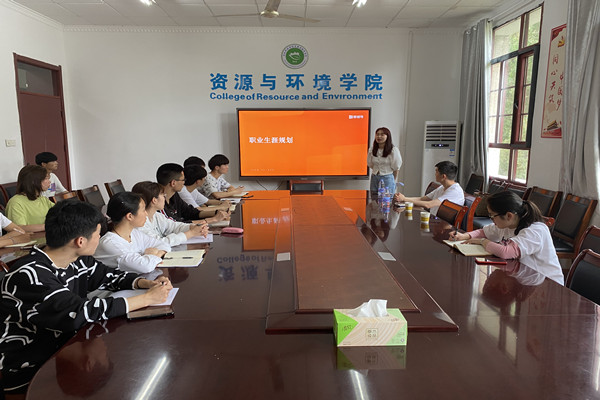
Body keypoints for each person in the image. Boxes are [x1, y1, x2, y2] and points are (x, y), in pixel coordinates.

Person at [0, 200, 172, 395]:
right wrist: (147, 299)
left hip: (65, 350)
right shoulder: (29, 274)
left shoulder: (77, 260)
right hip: (29, 370)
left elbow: (108, 275)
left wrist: (144, 283)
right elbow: (77, 312)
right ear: (80, 241)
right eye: (98, 235)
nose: (100, 239)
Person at [449, 191, 564, 285]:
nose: (491, 219)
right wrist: (464, 236)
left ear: (509, 215)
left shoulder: (535, 230)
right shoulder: (507, 224)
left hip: (547, 284)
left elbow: (506, 252)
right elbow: (484, 232)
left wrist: (482, 241)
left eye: (492, 216)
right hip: (525, 278)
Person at [94, 192, 170, 275]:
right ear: (130, 216)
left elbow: (164, 245)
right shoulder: (110, 244)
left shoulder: (134, 233)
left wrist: (151, 256)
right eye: (143, 210)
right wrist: (152, 254)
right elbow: (145, 267)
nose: (146, 214)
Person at [131, 181, 208, 247]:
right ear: (154, 200)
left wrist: (192, 227)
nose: (165, 198)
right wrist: (191, 233)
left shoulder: (156, 215)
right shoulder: (139, 223)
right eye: (163, 195)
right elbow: (159, 243)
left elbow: (174, 226)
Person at [156, 163, 228, 224]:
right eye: (183, 180)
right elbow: (176, 224)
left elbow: (190, 212)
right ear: (173, 183)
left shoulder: (174, 195)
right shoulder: (158, 202)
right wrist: (212, 219)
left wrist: (217, 213)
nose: (184, 182)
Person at [393, 160, 464, 216]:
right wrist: (403, 199)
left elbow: (428, 204)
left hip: (443, 224)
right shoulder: (442, 187)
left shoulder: (454, 191)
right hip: (434, 219)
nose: (435, 174)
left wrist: (404, 199)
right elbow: (422, 199)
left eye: (436, 172)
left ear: (443, 176)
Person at [5, 165, 55, 231]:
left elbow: (59, 212)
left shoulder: (42, 199)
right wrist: (48, 227)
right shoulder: (15, 202)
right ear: (34, 181)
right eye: (46, 178)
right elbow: (19, 229)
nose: (49, 181)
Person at [367, 127, 402, 194]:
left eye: (382, 134)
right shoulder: (372, 149)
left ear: (387, 136)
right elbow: (370, 164)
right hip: (374, 177)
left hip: (387, 177)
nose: (379, 136)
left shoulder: (393, 150)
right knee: (373, 197)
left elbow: (396, 167)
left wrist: (393, 180)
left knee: (387, 198)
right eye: (377, 134)